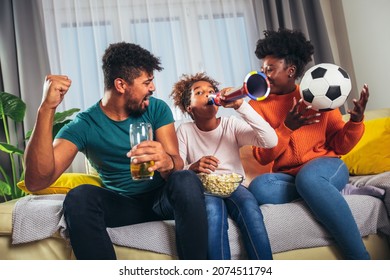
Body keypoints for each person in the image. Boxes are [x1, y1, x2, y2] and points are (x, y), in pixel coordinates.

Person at [24, 42, 208, 260]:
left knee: (186, 179)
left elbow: (176, 162)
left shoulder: (157, 109)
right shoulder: (85, 125)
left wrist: (168, 162)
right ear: (121, 85)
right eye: (147, 82)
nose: (153, 88)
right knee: (79, 197)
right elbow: (36, 181)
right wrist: (47, 108)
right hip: (123, 204)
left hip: (161, 199)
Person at [247, 29, 370, 259]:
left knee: (310, 178)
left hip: (326, 165)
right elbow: (262, 157)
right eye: (263, 69)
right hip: (288, 176)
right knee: (259, 188)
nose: (264, 75)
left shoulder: (317, 93)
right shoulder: (257, 106)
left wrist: (355, 120)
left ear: (290, 71)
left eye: (270, 69)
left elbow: (340, 145)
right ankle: (320, 192)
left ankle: (360, 259)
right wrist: (287, 127)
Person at [170, 72, 278, 259]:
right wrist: (193, 166)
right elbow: (177, 170)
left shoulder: (231, 125)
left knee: (250, 208)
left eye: (211, 91)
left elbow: (270, 140)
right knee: (212, 213)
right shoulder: (185, 130)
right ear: (189, 107)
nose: (208, 94)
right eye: (199, 92)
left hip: (235, 185)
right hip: (205, 188)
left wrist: (240, 105)